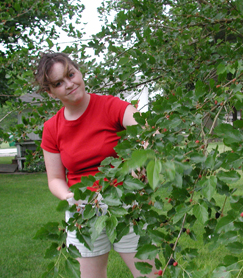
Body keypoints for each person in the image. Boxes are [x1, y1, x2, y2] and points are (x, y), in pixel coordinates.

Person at [34, 52, 156, 278]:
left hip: (126, 203)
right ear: (50, 92)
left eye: (71, 74)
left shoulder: (110, 106)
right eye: (59, 83)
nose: (69, 84)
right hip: (83, 210)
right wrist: (69, 198)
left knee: (150, 274)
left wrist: (141, 161)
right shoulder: (52, 128)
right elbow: (55, 179)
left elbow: (147, 130)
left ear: (79, 72)